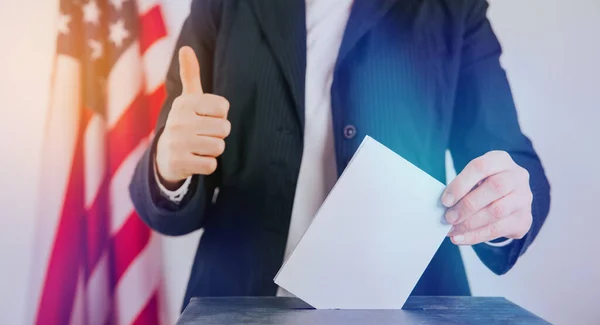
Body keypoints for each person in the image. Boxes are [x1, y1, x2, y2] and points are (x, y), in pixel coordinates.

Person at [129, 0, 550, 310]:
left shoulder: (451, 9)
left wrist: (504, 204)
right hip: (241, 301)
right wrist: (169, 166)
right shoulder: (221, 6)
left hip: (410, 305)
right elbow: (177, 160)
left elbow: (511, 159)